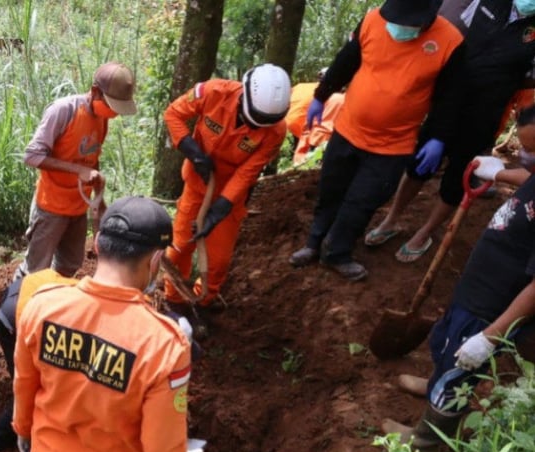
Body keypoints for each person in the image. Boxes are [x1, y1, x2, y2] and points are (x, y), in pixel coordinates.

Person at [4, 196, 192, 452]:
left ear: (97, 244)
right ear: (157, 258)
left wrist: (23, 432)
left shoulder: (43, 304)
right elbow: (162, 447)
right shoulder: (163, 342)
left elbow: (24, 385)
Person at [289, 0, 464, 281]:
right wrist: (321, 95)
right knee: (331, 190)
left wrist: (438, 138)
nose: (401, 28)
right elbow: (347, 59)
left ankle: (337, 252)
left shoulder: (450, 42)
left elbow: (450, 97)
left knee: (363, 201)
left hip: (393, 144)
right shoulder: (372, 21)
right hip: (348, 130)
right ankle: (313, 243)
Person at [364, 0, 535, 264]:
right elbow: (450, 28)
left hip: (486, 112)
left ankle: (426, 232)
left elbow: (528, 81)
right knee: (420, 163)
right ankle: (391, 219)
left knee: (458, 176)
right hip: (450, 98)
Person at [384, 170, 535, 449]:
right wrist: (499, 171)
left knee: (457, 372)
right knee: (445, 342)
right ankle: (434, 385)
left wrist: (488, 338)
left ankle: (427, 440)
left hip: (493, 305)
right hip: (477, 287)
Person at [162, 64, 291, 307]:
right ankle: (174, 298)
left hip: (230, 198)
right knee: (179, 248)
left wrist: (222, 205)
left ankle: (204, 301)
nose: (257, 127)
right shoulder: (213, 93)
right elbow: (173, 114)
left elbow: (248, 171)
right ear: (245, 96)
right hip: (196, 186)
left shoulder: (275, 132)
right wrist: (193, 151)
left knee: (218, 260)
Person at [15, 62, 137, 278]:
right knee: (35, 270)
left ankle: (55, 302)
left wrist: (99, 196)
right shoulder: (65, 110)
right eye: (111, 106)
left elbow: (92, 158)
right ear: (94, 92)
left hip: (79, 207)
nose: (114, 114)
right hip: (51, 205)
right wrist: (77, 170)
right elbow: (31, 156)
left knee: (70, 264)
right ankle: (15, 308)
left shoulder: (102, 119)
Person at [0, 269, 77, 452]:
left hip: (31, 287)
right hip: (17, 313)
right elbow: (26, 384)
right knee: (29, 388)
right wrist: (24, 431)